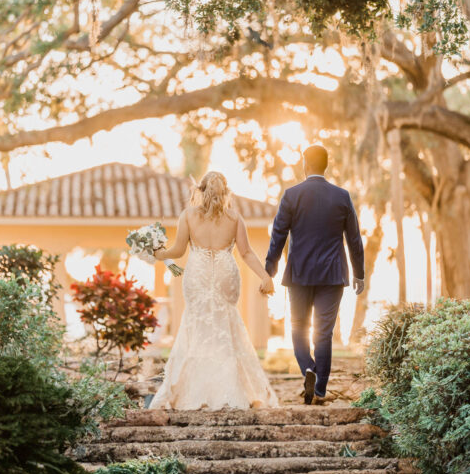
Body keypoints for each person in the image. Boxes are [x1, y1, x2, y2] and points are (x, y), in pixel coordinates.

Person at [149, 171, 279, 410]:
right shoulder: (235, 218)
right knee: (226, 323)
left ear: (200, 190)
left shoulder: (188, 215)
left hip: (198, 273)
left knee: (196, 324)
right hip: (224, 272)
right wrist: (265, 276)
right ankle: (234, 389)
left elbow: (177, 250)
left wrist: (160, 254)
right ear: (226, 192)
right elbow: (247, 252)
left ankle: (193, 390)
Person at [265, 145, 365, 405]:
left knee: (298, 328)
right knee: (323, 333)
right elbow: (354, 238)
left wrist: (269, 270)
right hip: (332, 275)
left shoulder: (291, 195)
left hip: (299, 273)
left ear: (305, 165)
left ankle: (308, 368)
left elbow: (278, 235)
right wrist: (359, 273)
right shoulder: (341, 196)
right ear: (326, 166)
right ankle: (319, 389)